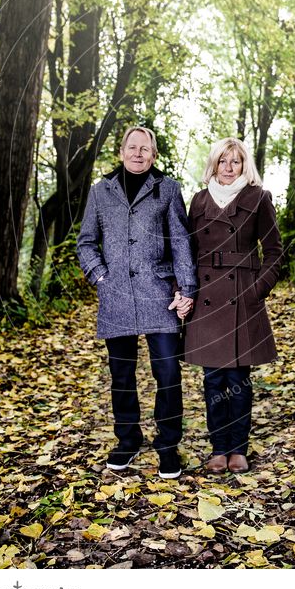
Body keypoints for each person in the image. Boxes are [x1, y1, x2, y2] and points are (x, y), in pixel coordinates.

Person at [77, 126, 196, 479]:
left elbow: (181, 243)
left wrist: (186, 288)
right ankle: (127, 441)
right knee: (121, 376)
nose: (138, 153)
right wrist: (100, 276)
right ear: (121, 150)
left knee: (168, 374)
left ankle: (168, 446)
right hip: (115, 299)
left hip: (159, 296)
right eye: (133, 147)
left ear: (154, 155)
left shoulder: (168, 189)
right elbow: (86, 242)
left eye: (145, 148)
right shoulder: (100, 192)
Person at [183, 137, 283, 474]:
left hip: (242, 296)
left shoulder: (258, 198)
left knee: (239, 377)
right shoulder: (197, 201)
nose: (229, 167)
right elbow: (187, 252)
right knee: (213, 379)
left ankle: (238, 447)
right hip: (208, 297)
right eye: (223, 161)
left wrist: (257, 290)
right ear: (214, 164)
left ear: (244, 165)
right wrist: (183, 290)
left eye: (235, 161)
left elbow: (274, 252)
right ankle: (218, 447)